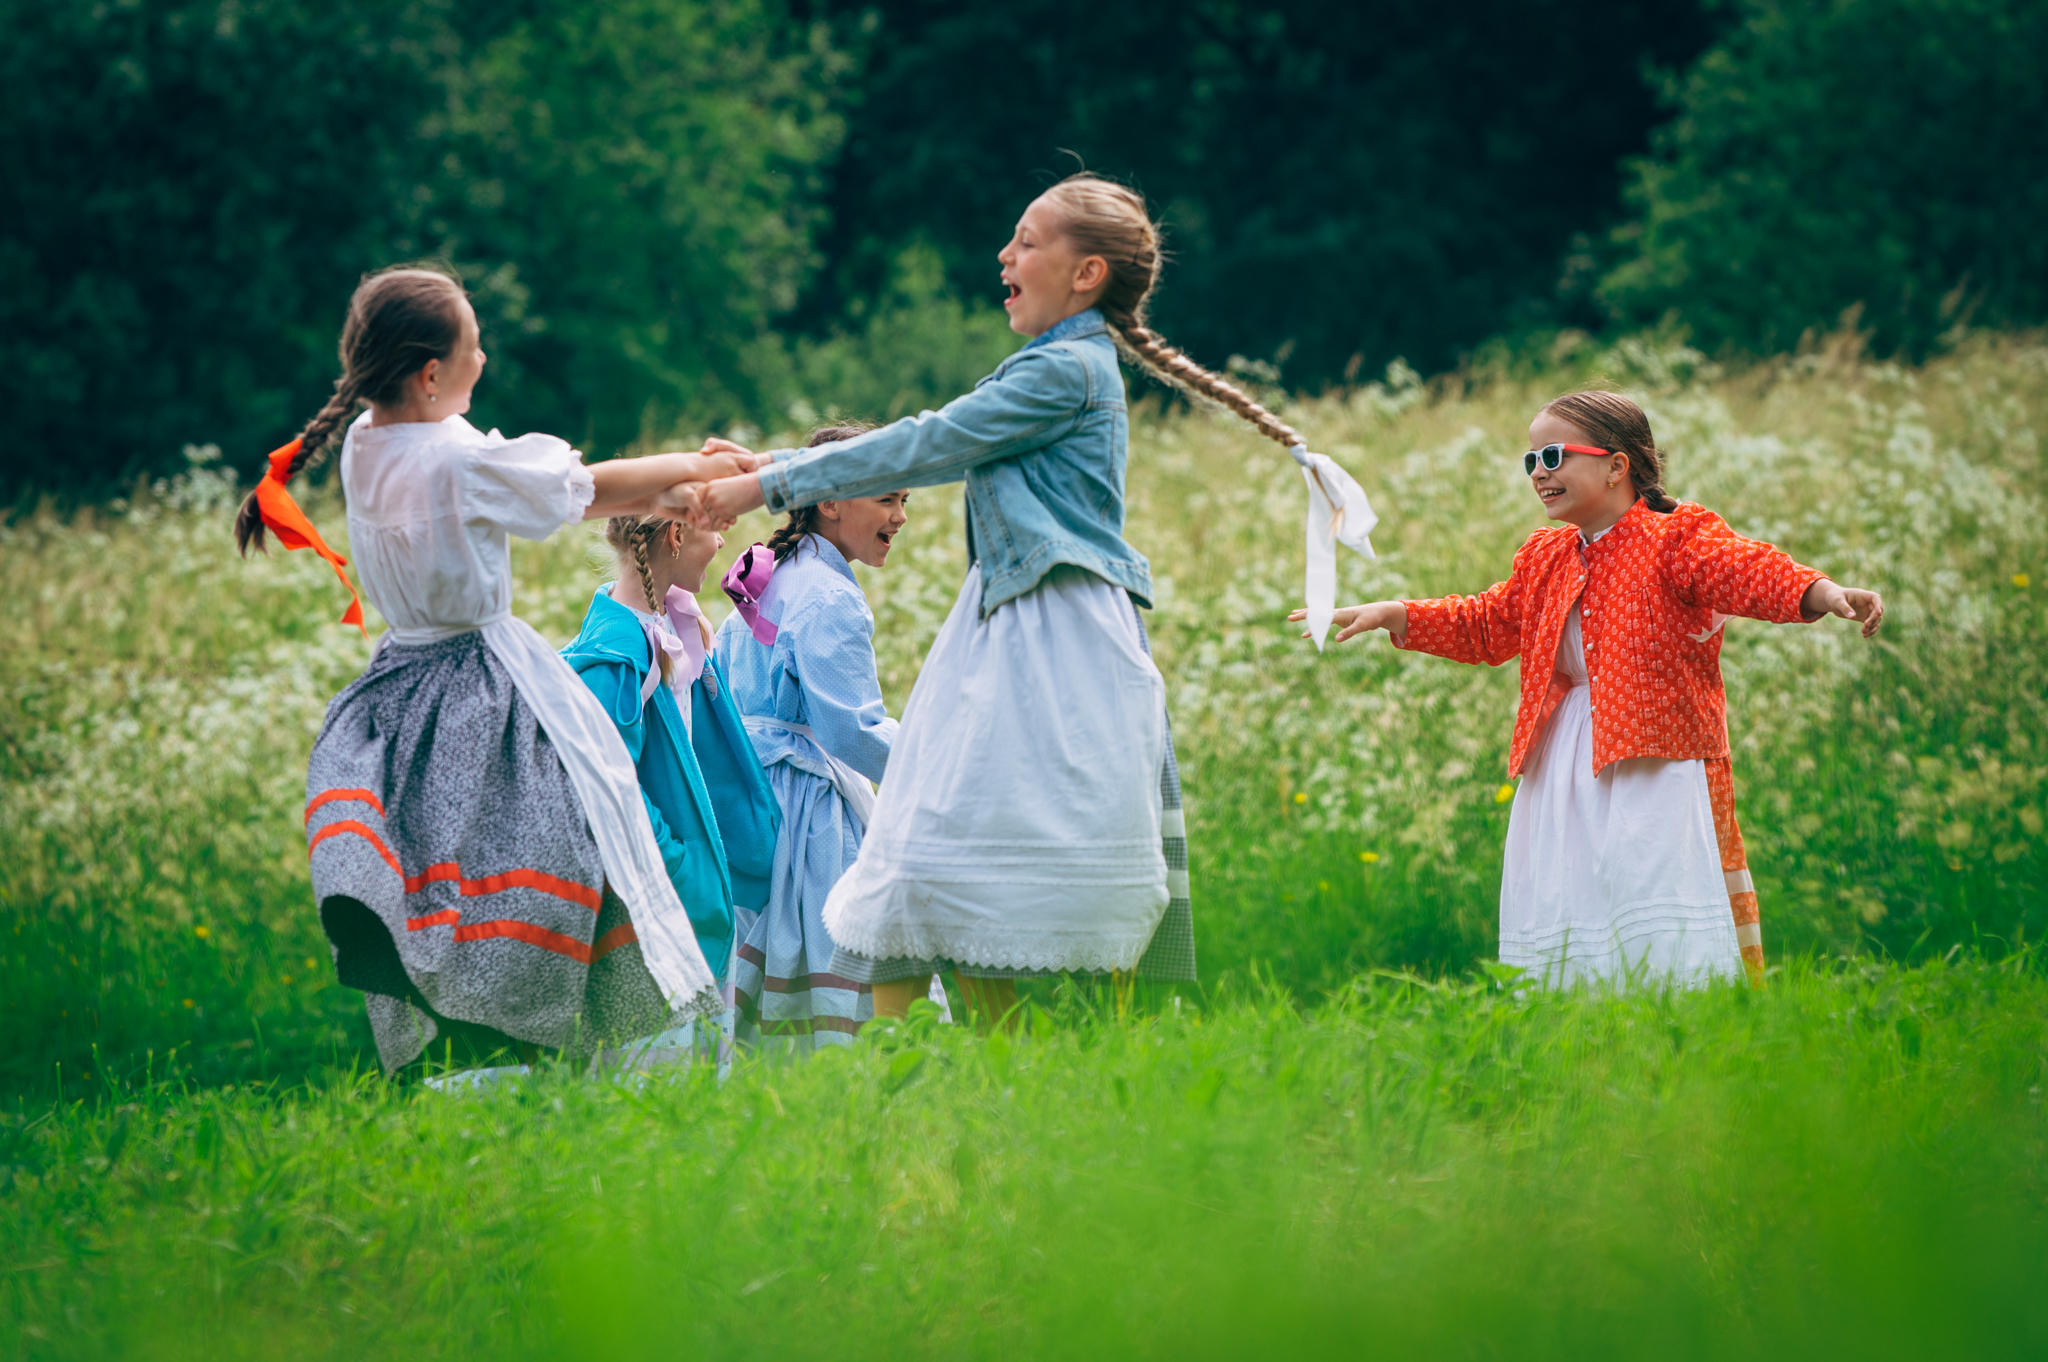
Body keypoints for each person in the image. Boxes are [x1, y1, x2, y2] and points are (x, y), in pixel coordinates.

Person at [698, 173, 1303, 1023]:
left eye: (1026, 240)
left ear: (1086, 273)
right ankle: (963, 1076)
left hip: (1052, 637)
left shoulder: (1065, 373)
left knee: (951, 864)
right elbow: (929, 440)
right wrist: (768, 468)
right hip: (1008, 626)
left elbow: (933, 442)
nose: (1003, 255)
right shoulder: (1052, 369)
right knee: (924, 865)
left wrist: (767, 481)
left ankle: (997, 1071)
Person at [238, 264, 741, 1078]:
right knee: (562, 858)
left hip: (399, 686)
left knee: (446, 885)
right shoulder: (453, 457)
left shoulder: (364, 444)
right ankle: (554, 1043)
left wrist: (686, 478)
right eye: (474, 346)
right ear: (432, 372)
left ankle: (470, 1055)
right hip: (479, 686)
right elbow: (583, 491)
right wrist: (701, 467)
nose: (484, 360)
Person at [1295, 390, 1886, 987]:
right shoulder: (1545, 555)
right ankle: (1579, 1034)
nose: (1539, 472)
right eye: (1531, 460)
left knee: (1651, 898)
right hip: (1561, 762)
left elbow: (1749, 570)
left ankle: (1678, 1026)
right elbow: (1489, 624)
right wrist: (1397, 613)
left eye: (1553, 455)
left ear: (1616, 464)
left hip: (1657, 758)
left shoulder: (1677, 537)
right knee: (1571, 897)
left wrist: (1824, 593)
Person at [713, 425, 924, 1050]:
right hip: (808, 806)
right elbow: (849, 729)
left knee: (763, 937)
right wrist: (935, 762)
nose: (900, 516)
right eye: (887, 498)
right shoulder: (831, 596)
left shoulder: (773, 573)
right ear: (829, 501)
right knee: (833, 938)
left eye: (906, 500)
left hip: (752, 796)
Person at [557, 512, 781, 1070]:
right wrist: (679, 867)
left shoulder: (670, 631)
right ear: (676, 536)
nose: (724, 541)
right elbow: (608, 795)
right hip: (650, 921)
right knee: (652, 1086)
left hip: (689, 906)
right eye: (715, 527)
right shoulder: (615, 661)